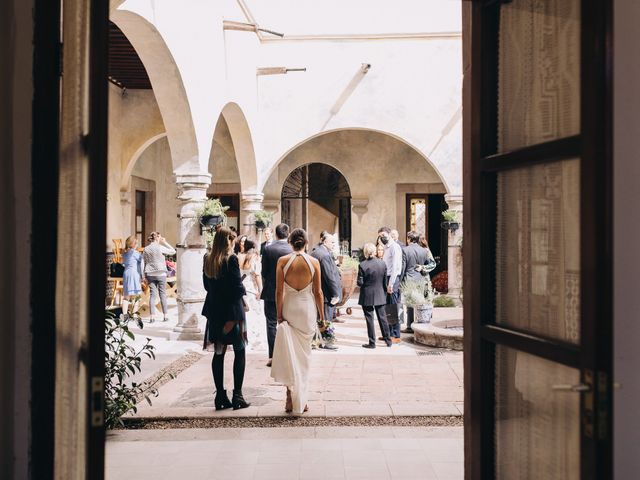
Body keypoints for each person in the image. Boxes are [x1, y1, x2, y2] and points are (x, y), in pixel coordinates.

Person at [271, 228, 324, 414]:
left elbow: (279, 291)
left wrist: (279, 314)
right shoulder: (314, 262)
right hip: (307, 310)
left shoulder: (283, 261)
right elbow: (318, 292)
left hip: (290, 308)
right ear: (306, 243)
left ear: (290, 242)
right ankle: (302, 400)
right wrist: (322, 317)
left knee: (289, 354)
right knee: (304, 357)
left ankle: (289, 396)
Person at [202, 226, 251, 411]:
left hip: (215, 311)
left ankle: (220, 396)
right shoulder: (230, 260)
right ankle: (237, 395)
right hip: (232, 312)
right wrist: (243, 289)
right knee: (240, 350)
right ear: (228, 241)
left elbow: (207, 286)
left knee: (219, 352)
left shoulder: (208, 259)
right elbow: (237, 287)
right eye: (233, 241)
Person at [261, 223, 293, 367]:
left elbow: (264, 273)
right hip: (289, 292)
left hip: (271, 291)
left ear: (276, 234)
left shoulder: (268, 249)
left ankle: (273, 356)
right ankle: (289, 355)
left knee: (271, 324)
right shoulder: (292, 249)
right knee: (289, 323)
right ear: (288, 234)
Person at [358, 243, 392, 348]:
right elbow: (385, 281)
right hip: (380, 293)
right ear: (375, 251)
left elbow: (360, 283)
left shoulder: (362, 265)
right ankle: (388, 340)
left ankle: (372, 342)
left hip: (367, 294)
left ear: (365, 252)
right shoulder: (382, 264)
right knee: (383, 318)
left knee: (369, 319)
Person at [401, 231, 431, 334]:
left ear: (409, 239)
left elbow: (403, 268)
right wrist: (422, 268)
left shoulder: (405, 250)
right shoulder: (424, 251)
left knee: (409, 304)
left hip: (409, 279)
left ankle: (410, 326)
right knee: (419, 302)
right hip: (421, 279)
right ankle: (420, 322)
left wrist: (399, 281)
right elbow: (429, 264)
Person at [142, 232, 176, 322]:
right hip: (161, 274)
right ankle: (165, 316)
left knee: (152, 295)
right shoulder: (160, 247)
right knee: (162, 295)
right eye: (159, 237)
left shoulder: (146, 249)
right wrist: (165, 242)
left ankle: (152, 317)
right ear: (157, 238)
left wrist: (143, 276)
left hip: (150, 274)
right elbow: (173, 251)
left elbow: (142, 263)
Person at [310, 231, 342, 325]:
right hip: (326, 295)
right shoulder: (324, 255)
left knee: (320, 321)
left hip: (319, 292)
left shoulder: (316, 251)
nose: (333, 244)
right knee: (326, 322)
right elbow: (329, 276)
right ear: (325, 242)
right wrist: (335, 294)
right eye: (332, 242)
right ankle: (326, 339)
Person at [240, 239, 267, 351]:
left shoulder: (242, 258)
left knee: (247, 315)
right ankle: (255, 341)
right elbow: (257, 276)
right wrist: (261, 291)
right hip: (252, 290)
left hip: (244, 290)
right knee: (256, 315)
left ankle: (245, 339)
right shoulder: (255, 259)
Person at [378, 227, 403, 342]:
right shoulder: (386, 247)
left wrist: (391, 284)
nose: (381, 237)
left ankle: (396, 335)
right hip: (386, 278)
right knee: (387, 308)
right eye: (380, 236)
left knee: (393, 307)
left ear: (389, 234)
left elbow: (395, 267)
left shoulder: (395, 247)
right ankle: (388, 333)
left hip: (392, 279)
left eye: (383, 235)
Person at [121, 235, 142, 315]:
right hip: (134, 274)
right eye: (136, 243)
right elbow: (142, 261)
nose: (137, 245)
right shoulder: (135, 253)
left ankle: (124, 314)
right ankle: (134, 314)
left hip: (126, 274)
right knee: (136, 296)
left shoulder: (124, 253)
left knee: (126, 296)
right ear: (134, 244)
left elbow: (123, 263)